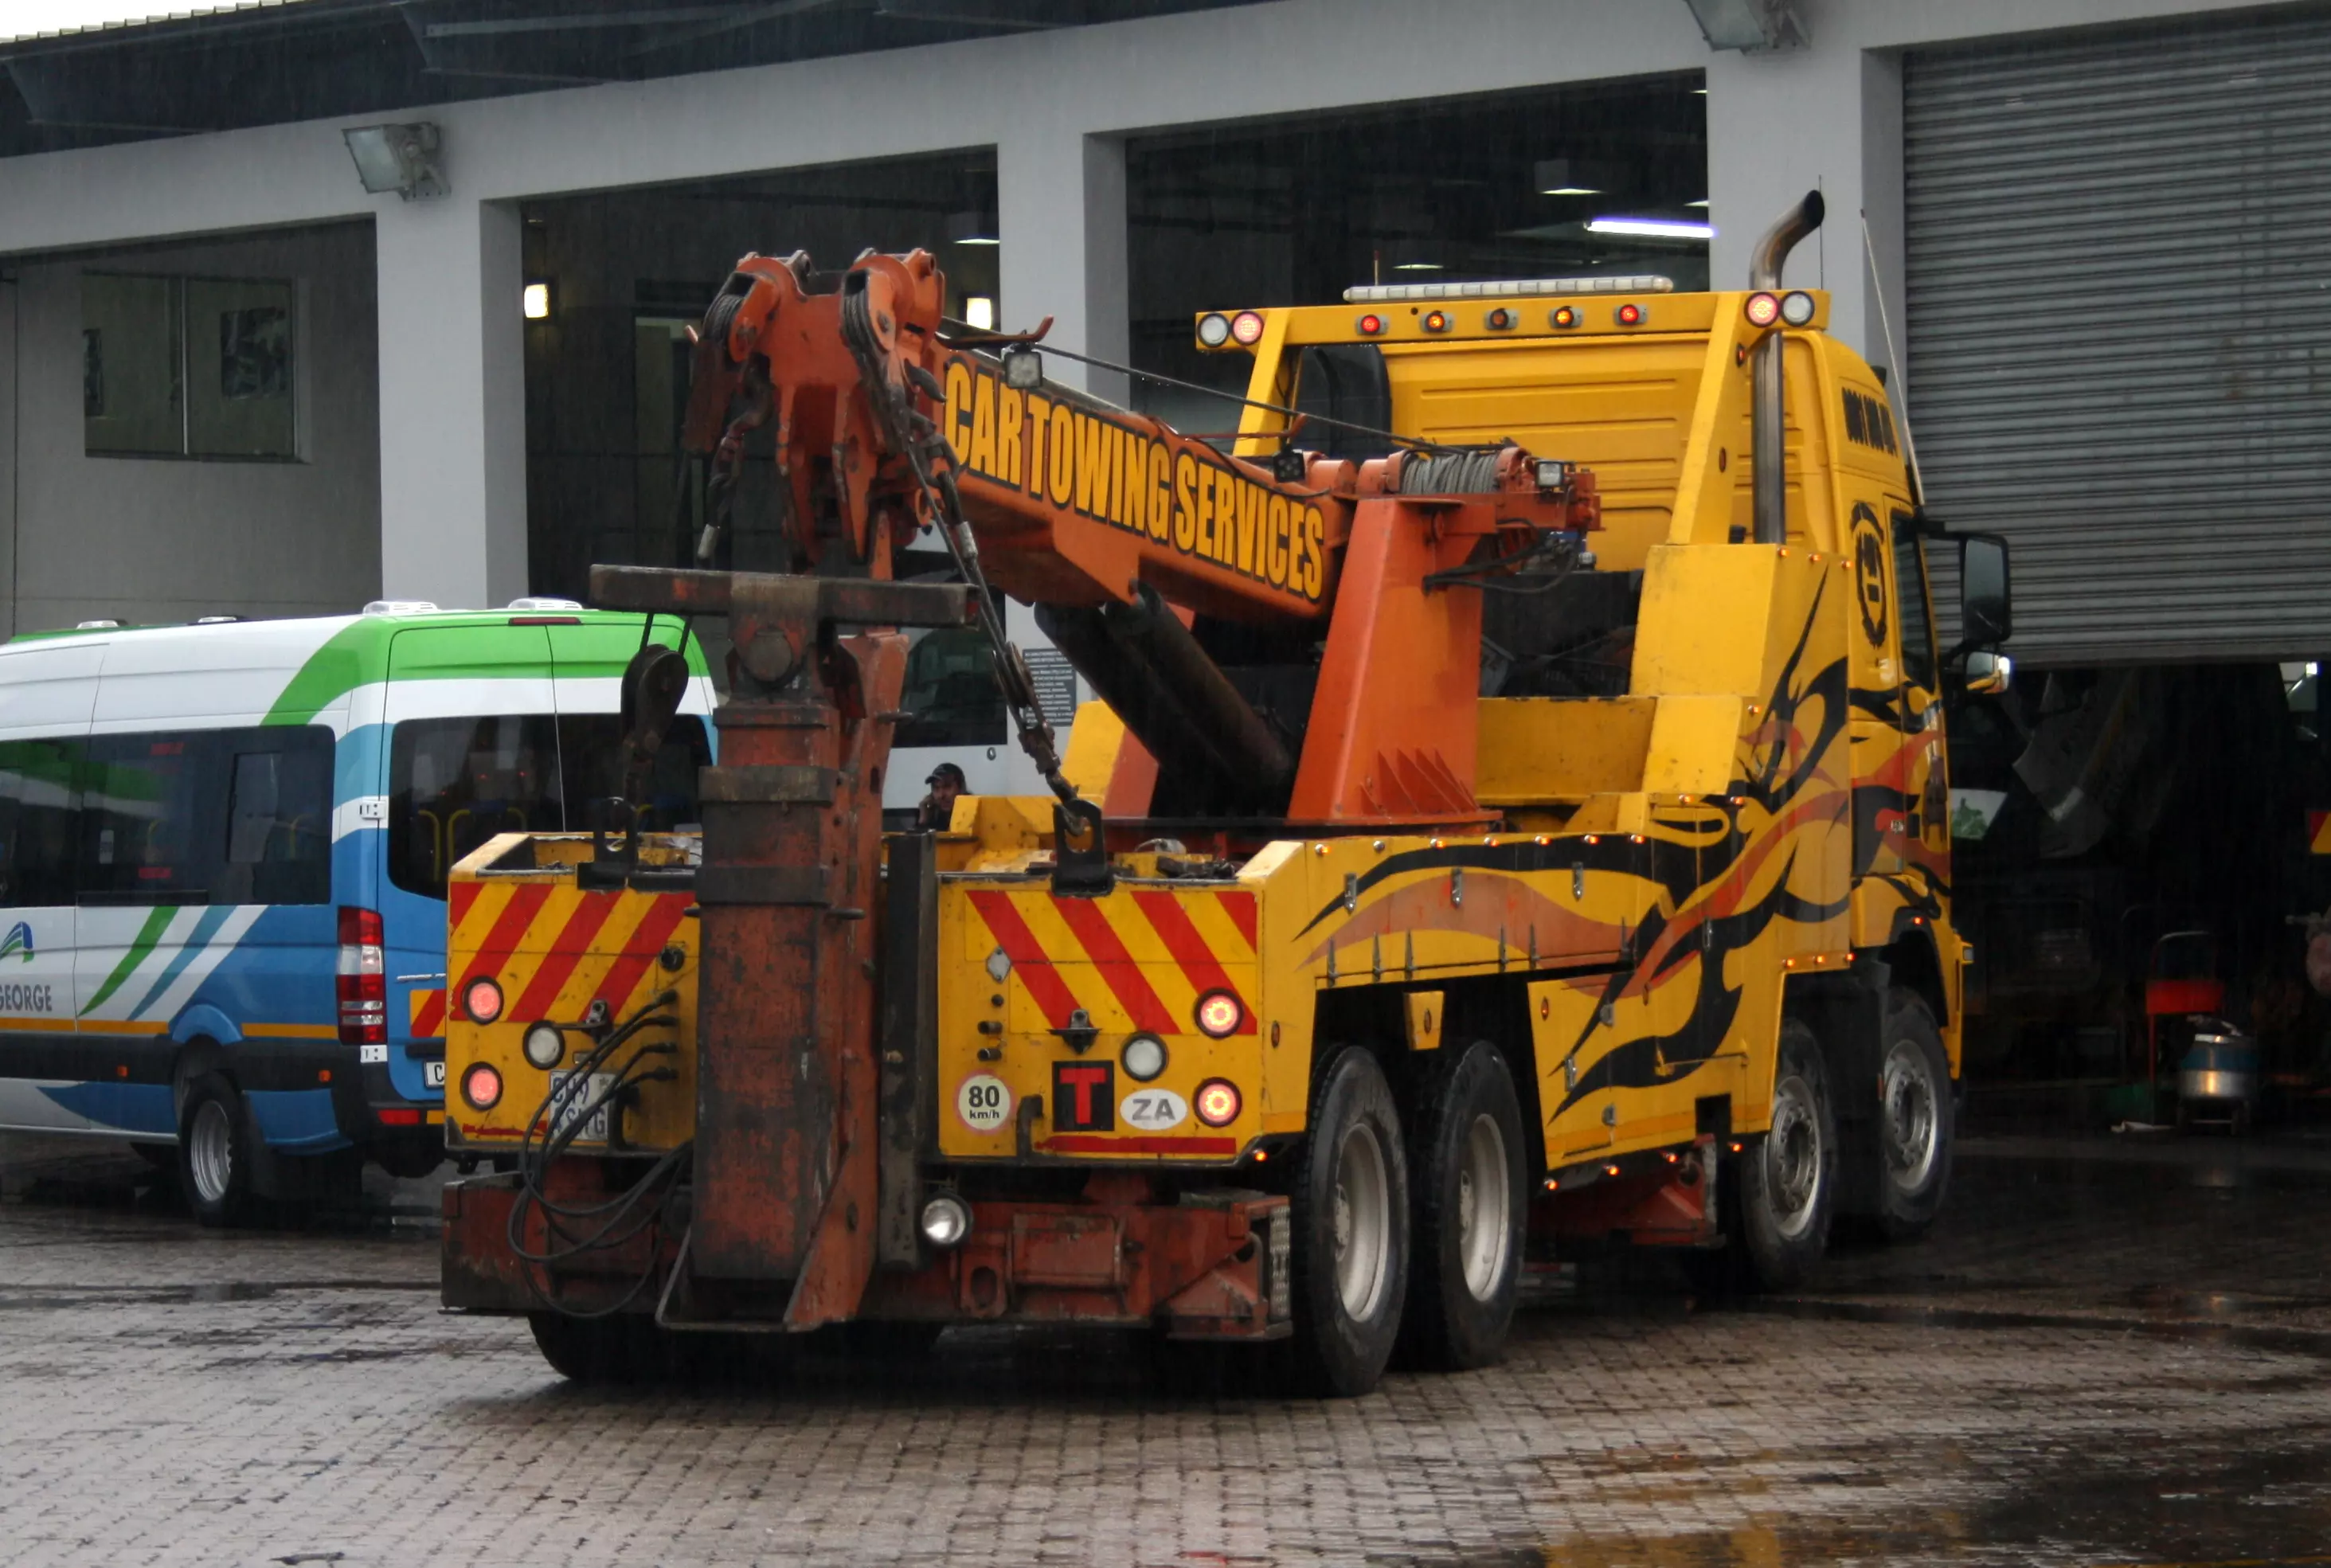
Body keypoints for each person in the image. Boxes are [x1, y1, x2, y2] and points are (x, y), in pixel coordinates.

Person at [917, 762, 966, 831]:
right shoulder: (934, 817)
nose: (941, 795)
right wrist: (923, 821)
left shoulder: (973, 816)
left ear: (961, 789)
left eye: (947, 787)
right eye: (936, 788)